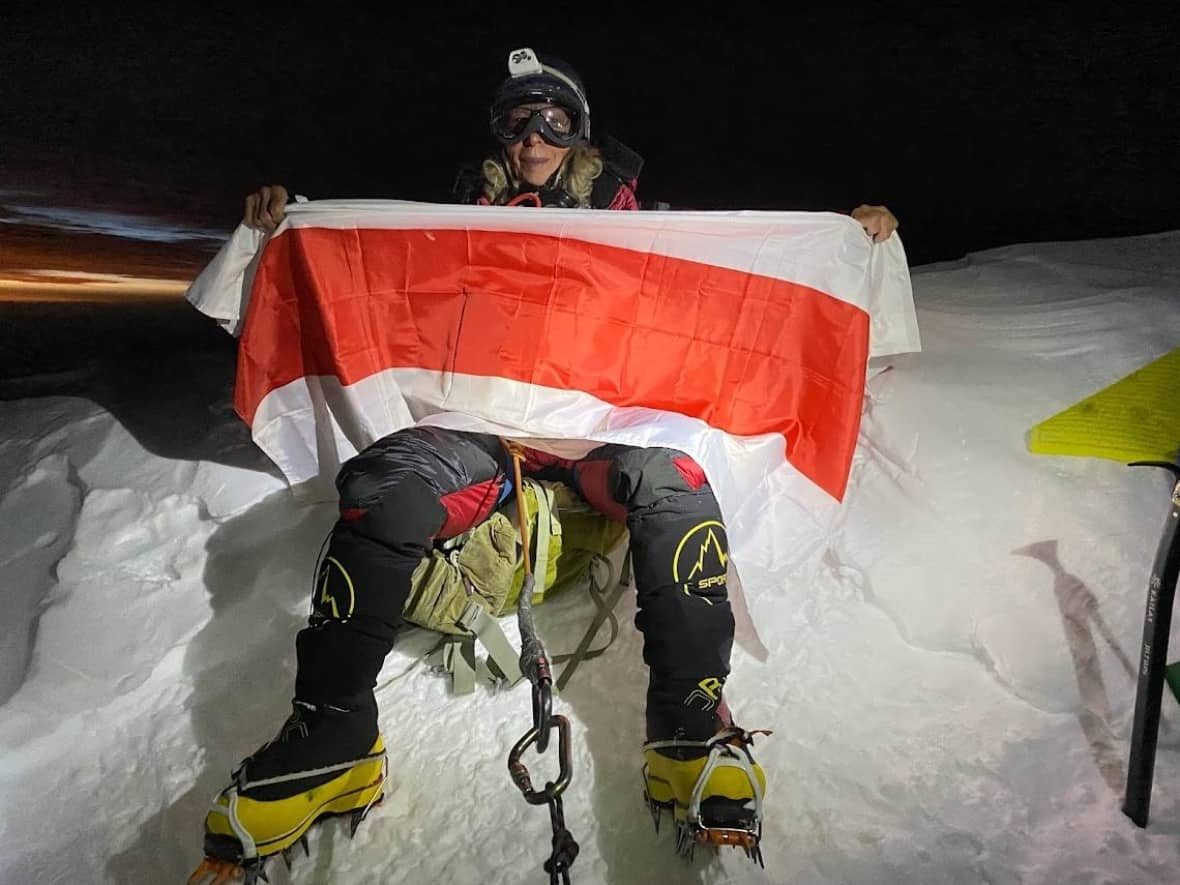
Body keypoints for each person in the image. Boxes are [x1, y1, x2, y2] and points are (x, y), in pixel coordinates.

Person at [192, 47, 899, 883]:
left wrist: (847, 243)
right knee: (382, 490)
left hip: (604, 437)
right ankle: (333, 731)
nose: (533, 136)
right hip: (483, 434)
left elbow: (729, 300)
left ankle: (689, 723)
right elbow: (374, 281)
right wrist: (288, 222)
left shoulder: (640, 225)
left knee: (673, 482)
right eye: (516, 119)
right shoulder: (458, 220)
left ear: (581, 132)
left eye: (553, 119)